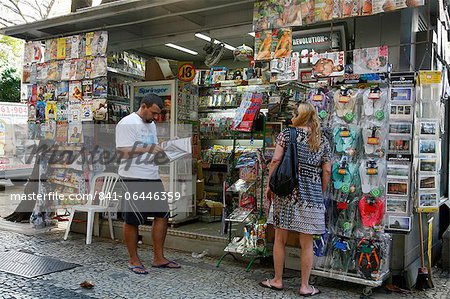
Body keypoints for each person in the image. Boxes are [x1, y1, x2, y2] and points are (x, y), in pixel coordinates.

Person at [260, 102, 331, 296]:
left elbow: (275, 161)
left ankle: (277, 280)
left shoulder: (286, 134)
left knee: (280, 239)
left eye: (294, 112)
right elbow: (327, 170)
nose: (292, 115)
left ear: (300, 116)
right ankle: (305, 286)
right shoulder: (322, 139)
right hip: (311, 196)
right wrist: (320, 191)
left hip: (286, 194)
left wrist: (269, 185)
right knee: (306, 243)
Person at [116, 94, 180, 275]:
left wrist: (166, 146)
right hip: (132, 177)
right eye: (153, 113)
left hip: (152, 175)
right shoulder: (127, 123)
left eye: (158, 114)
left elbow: (149, 148)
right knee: (132, 219)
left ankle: (158, 258)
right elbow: (122, 152)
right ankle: (133, 259)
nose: (156, 118)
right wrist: (149, 148)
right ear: (143, 106)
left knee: (163, 215)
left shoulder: (150, 124)